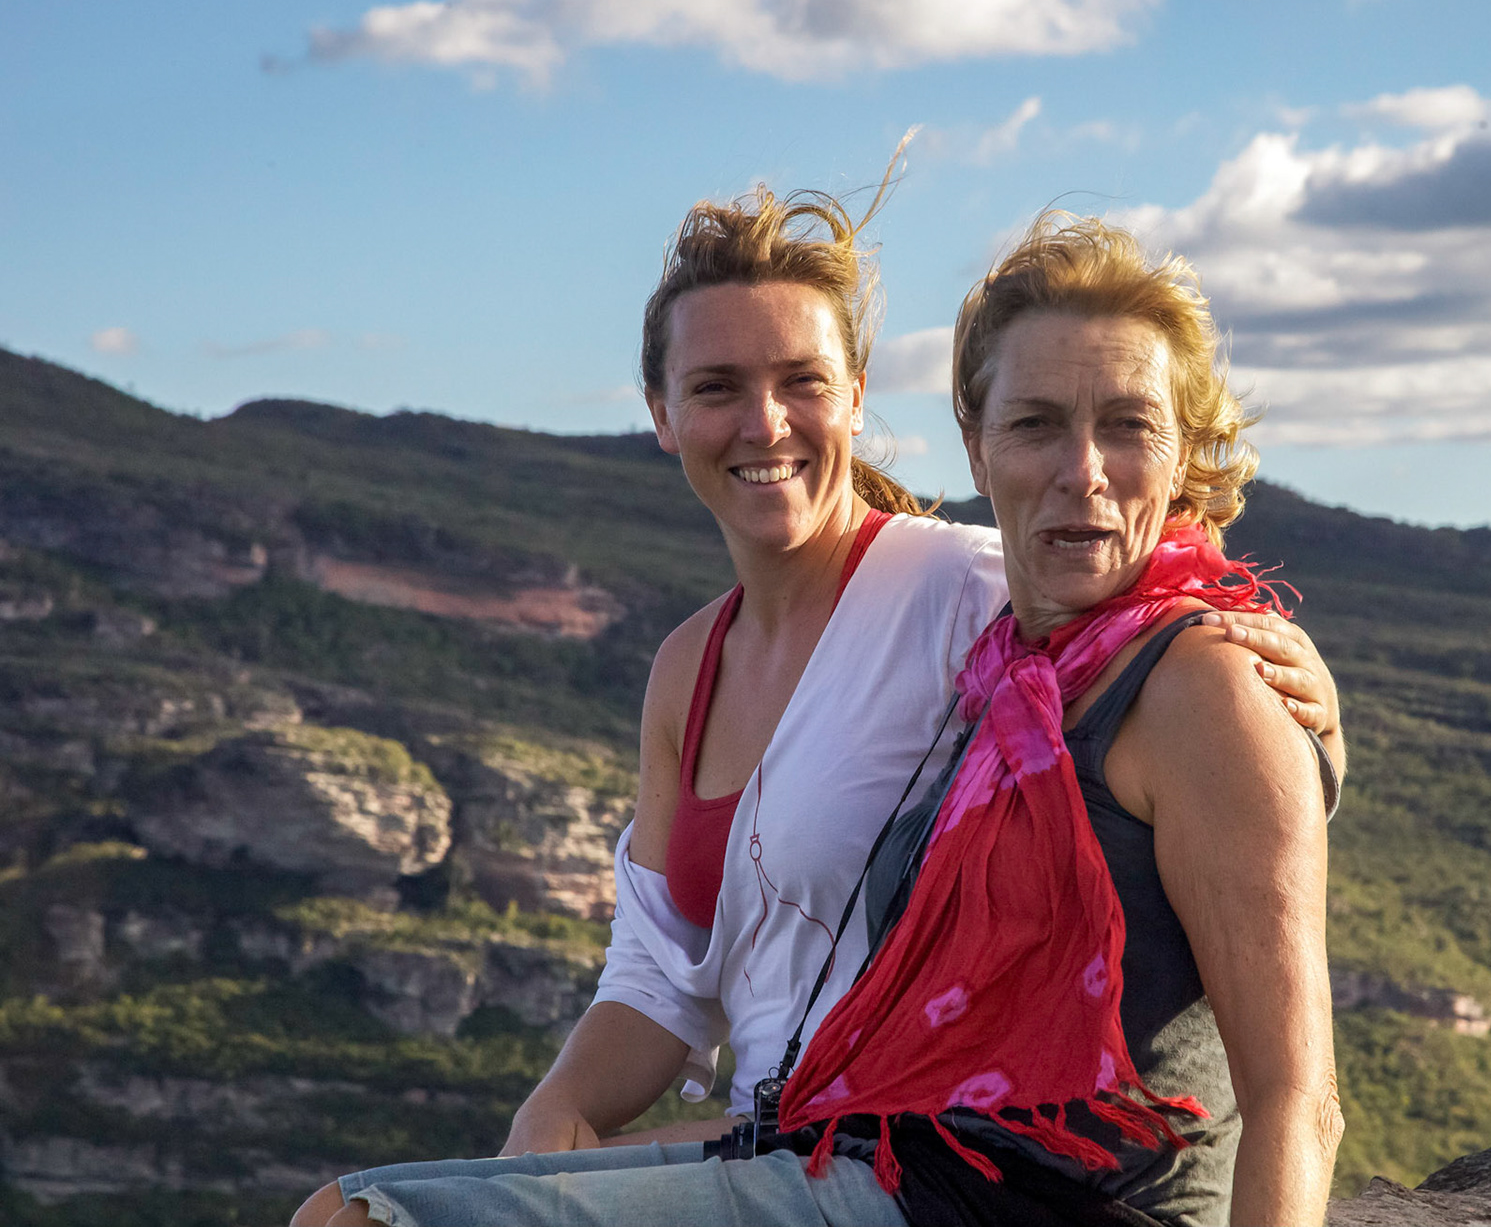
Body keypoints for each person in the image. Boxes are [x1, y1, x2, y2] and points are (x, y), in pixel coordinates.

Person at [291, 183, 1341, 1227]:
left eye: (802, 380)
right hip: (826, 1137)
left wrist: (1306, 720)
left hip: (969, 1176)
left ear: (855, 397)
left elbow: (1147, 624)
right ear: (661, 414)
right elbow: (660, 967)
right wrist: (556, 1107)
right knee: (338, 1208)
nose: (765, 421)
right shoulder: (732, 663)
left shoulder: (967, 592)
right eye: (717, 386)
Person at [779, 214, 1341, 1226]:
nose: (1083, 468)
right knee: (469, 1190)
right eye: (1037, 424)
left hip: (1060, 1208)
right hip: (903, 1173)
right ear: (977, 448)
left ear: (1181, 454)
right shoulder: (1009, 675)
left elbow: (1297, 1100)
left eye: (1128, 424)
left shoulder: (1205, 683)